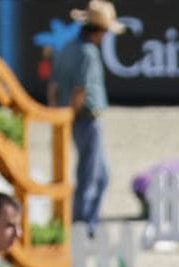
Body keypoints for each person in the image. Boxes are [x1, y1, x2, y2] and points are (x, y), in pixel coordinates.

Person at [51, 1, 126, 236]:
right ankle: (83, 225)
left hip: (72, 118)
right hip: (86, 118)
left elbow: (53, 86)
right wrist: (72, 115)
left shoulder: (67, 48)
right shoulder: (88, 53)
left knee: (99, 175)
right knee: (90, 175)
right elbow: (80, 91)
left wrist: (59, 116)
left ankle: (86, 221)